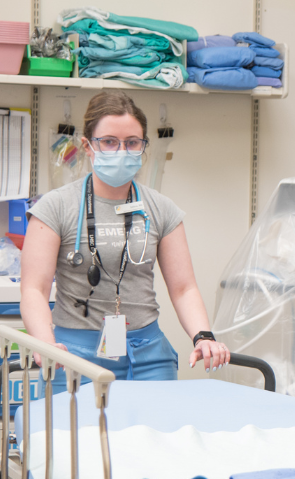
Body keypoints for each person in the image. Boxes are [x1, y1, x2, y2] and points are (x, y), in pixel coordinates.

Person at [20, 91, 230, 392]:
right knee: (78, 438)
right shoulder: (55, 208)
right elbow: (34, 290)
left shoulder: (161, 208)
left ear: (143, 146)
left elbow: (184, 288)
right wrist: (45, 343)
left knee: (154, 437)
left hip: (147, 354)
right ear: (88, 146)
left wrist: (203, 336)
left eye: (132, 142)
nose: (122, 151)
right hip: (72, 354)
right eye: (109, 141)